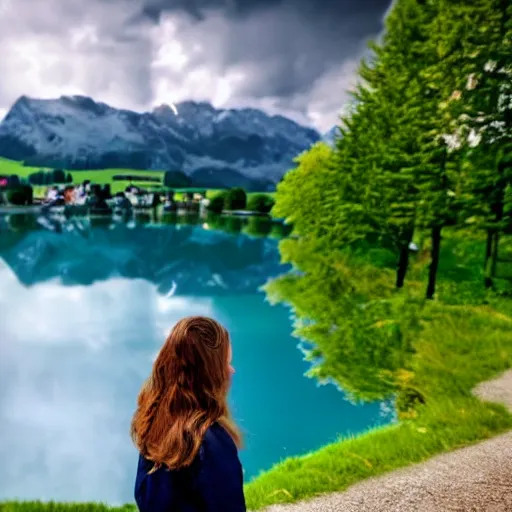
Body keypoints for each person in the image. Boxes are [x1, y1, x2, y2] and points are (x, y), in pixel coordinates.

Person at [131, 316, 246, 512]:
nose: (231, 370)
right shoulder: (210, 441)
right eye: (225, 362)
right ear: (209, 373)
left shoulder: (153, 428)